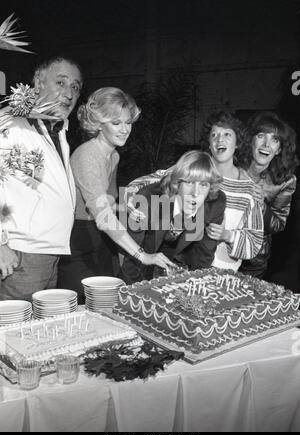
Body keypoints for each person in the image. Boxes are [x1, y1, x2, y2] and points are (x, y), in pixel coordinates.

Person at [57, 87, 176, 302]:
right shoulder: (88, 155)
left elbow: (109, 204)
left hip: (101, 240)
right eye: (116, 123)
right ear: (99, 124)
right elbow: (103, 216)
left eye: (128, 122)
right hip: (77, 240)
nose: (124, 130)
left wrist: (141, 211)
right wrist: (142, 255)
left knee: (106, 308)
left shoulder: (113, 155)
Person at [125, 111, 264, 272]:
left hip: (223, 272)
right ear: (209, 144)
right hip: (183, 267)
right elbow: (152, 181)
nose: (220, 139)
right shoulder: (192, 170)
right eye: (214, 135)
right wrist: (129, 199)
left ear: (238, 142)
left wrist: (228, 235)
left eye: (227, 134)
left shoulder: (249, 190)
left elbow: (255, 243)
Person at [0, 56, 83, 301]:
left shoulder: (56, 130)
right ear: (38, 83)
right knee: (14, 335)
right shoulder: (12, 125)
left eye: (75, 87)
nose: (68, 93)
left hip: (49, 254)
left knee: (39, 334)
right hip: (21, 256)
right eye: (60, 82)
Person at [122, 150, 226, 283]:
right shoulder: (147, 199)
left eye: (203, 184)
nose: (195, 193)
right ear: (177, 184)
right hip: (144, 259)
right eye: (189, 182)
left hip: (179, 263)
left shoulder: (215, 203)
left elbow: (204, 256)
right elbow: (131, 259)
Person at [239, 111, 298, 278]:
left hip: (252, 260)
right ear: (250, 140)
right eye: (261, 135)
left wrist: (262, 207)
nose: (266, 144)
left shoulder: (286, 181)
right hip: (217, 252)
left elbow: (279, 224)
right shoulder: (231, 167)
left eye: (275, 139)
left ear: (279, 149)